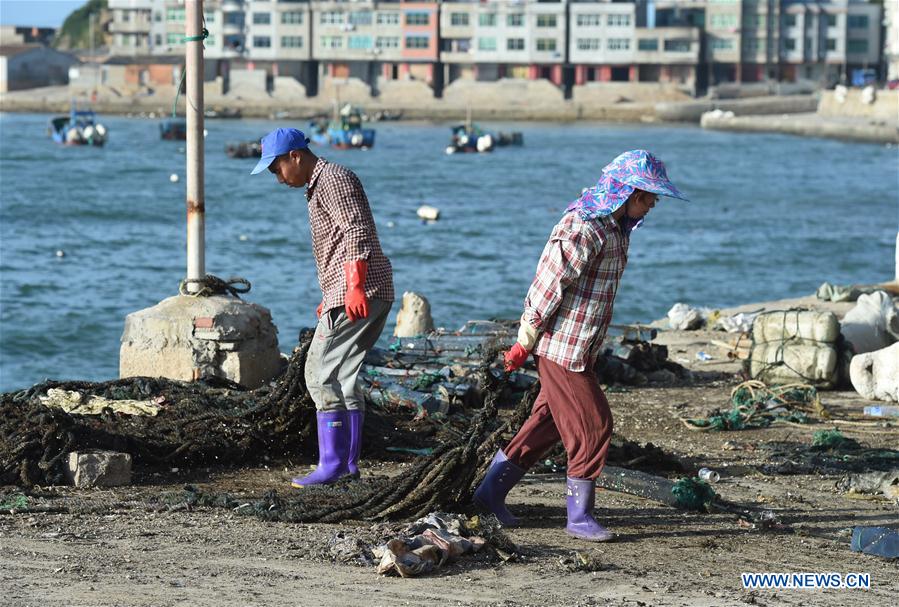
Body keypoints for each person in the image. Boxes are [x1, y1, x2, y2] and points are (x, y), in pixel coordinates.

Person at [473, 150, 688, 541]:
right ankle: (579, 517)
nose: (653, 204)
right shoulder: (585, 227)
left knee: (546, 423)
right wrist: (526, 338)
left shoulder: (616, 230)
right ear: (626, 193)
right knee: (594, 425)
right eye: (648, 197)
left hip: (581, 347)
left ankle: (489, 494)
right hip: (561, 349)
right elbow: (548, 283)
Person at [251, 127, 394, 488]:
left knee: (317, 373)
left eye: (276, 168)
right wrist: (333, 291)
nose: (276, 177)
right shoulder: (324, 182)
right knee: (344, 377)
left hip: (361, 289)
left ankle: (331, 465)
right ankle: (346, 466)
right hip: (359, 289)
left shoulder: (331, 178)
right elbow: (340, 240)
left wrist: (355, 286)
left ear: (295, 156)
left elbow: (355, 231)